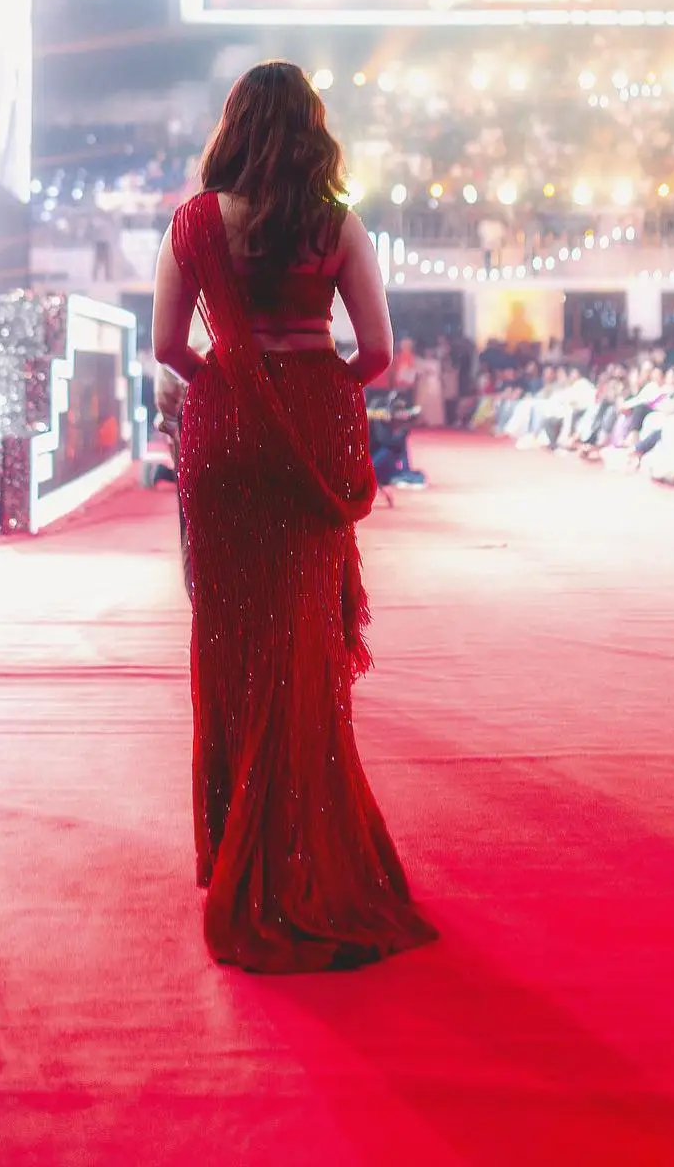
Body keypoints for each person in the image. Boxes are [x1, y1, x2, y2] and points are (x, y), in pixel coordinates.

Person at [152, 62, 437, 972]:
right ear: (313, 129)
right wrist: (315, 390)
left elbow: (168, 348)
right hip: (312, 426)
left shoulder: (195, 224)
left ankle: (232, 839)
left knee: (231, 635)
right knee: (300, 640)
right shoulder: (336, 224)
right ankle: (299, 845)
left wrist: (229, 392)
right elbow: (380, 352)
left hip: (223, 437)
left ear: (233, 126)